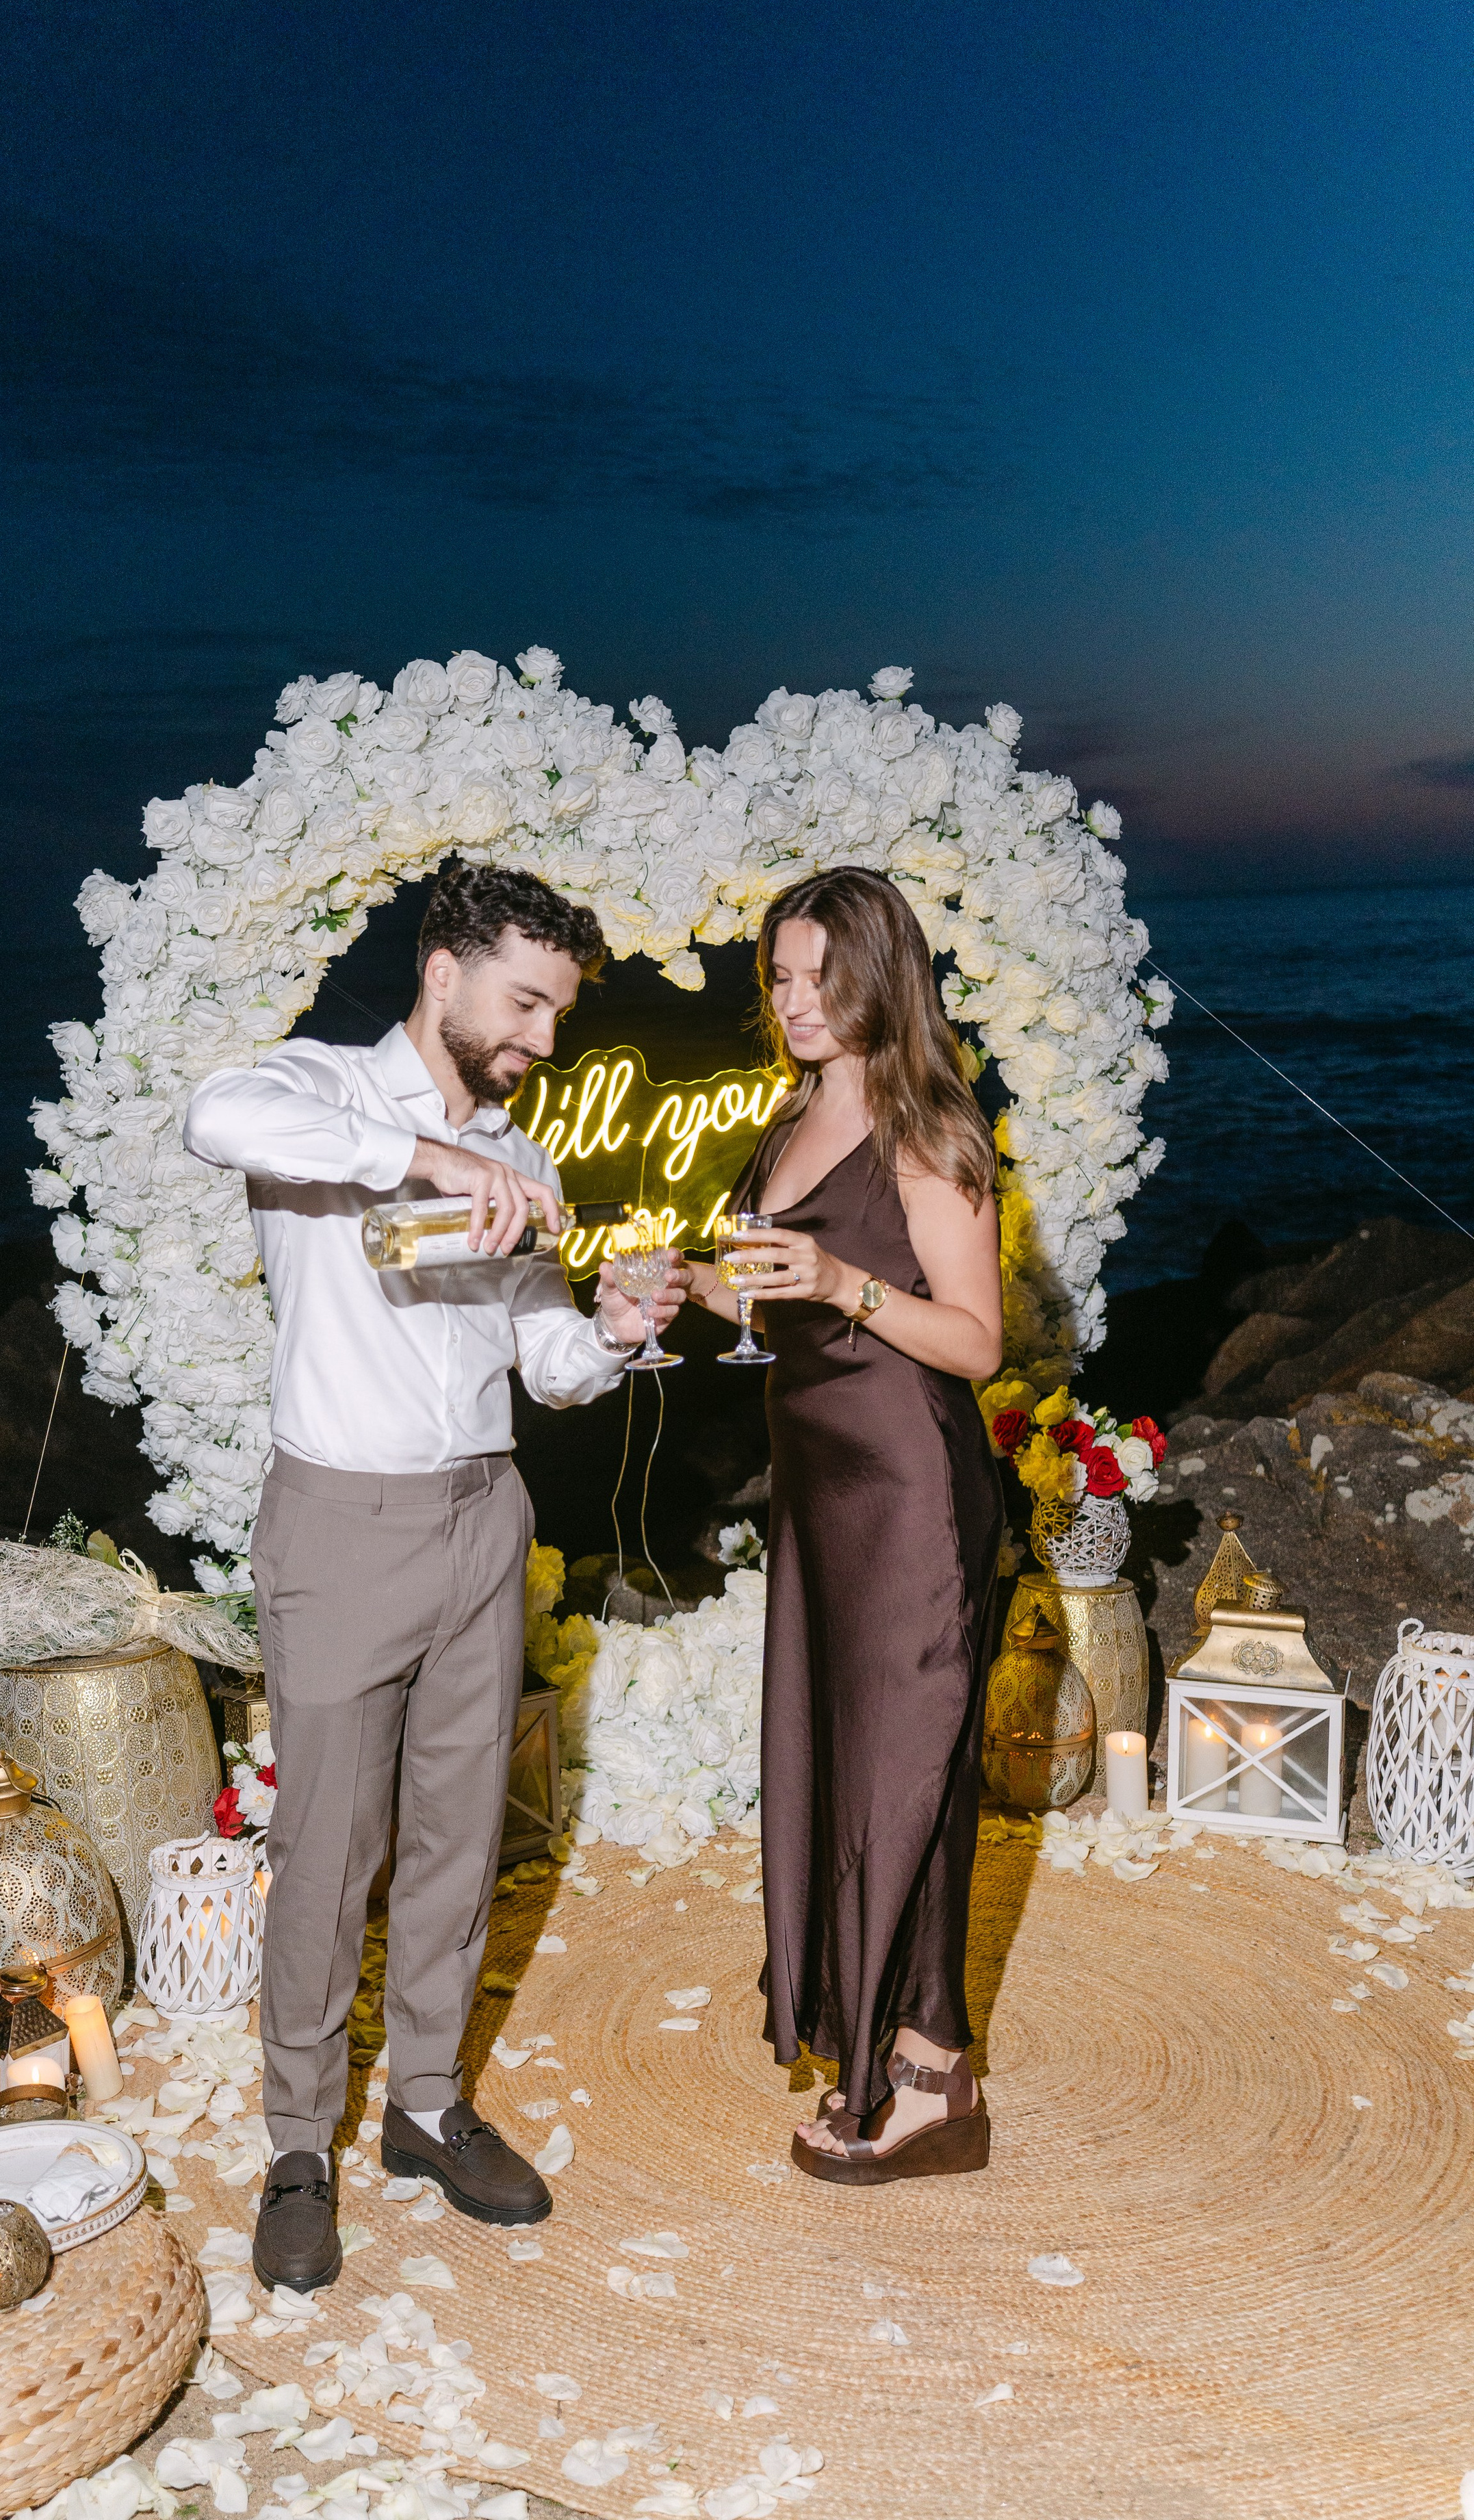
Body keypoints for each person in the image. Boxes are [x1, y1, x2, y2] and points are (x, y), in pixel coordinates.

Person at [183, 862, 685, 2291]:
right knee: (326, 1857)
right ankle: (296, 2146)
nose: (538, 1039)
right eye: (523, 1003)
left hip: (486, 1515)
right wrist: (427, 1160)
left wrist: (624, 1325)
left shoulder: (528, 1157)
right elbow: (211, 1117)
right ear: (444, 969)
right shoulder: (318, 1090)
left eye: (555, 1014)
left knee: (461, 1836)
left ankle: (422, 2109)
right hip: (341, 1522)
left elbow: (550, 1366)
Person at [683, 866, 1004, 2185]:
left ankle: (916, 2077)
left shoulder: (931, 1129)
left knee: (904, 1770)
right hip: (818, 1493)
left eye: (822, 977)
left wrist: (843, 1282)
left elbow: (976, 1344)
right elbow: (782, 1302)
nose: (796, 1002)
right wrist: (685, 1287)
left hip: (913, 1495)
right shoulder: (796, 1111)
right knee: (842, 1756)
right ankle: (909, 2043)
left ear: (884, 976)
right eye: (781, 977)